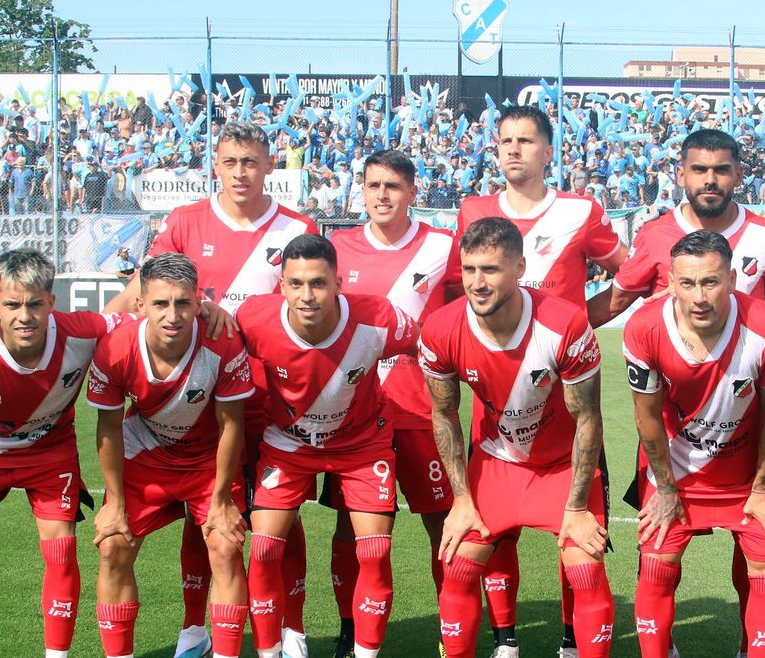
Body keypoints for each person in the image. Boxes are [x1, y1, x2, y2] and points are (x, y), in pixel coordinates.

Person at [104, 120, 318, 658]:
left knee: (276, 522)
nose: (241, 172)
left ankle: (291, 627)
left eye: (251, 161)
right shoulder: (184, 221)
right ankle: (195, 629)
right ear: (215, 166)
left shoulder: (296, 226)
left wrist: (236, 315)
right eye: (230, 162)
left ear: (271, 165)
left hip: (270, 401)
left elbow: (306, 310)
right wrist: (92, 334)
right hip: (197, 403)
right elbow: (143, 289)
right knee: (202, 517)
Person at [447, 105, 627, 657]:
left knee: (574, 526)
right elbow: (461, 295)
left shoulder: (579, 210)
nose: (514, 150)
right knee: (494, 529)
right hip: (498, 392)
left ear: (548, 151)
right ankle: (505, 640)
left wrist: (578, 324)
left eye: (526, 141)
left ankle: (573, 641)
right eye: (504, 141)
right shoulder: (473, 209)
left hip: (565, 388)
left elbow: (633, 273)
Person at [421, 217, 615, 658]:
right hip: (496, 463)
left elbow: (588, 418)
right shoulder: (440, 329)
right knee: (457, 566)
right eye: (469, 270)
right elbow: (444, 413)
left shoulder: (565, 324)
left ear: (520, 267)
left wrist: (578, 507)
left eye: (490, 270)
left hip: (562, 466)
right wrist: (462, 500)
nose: (477, 282)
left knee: (585, 569)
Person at [0, 249, 130, 658]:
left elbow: (146, 314)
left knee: (61, 549)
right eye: (12, 304)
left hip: (49, 451)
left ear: (52, 302)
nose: (25, 316)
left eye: (35, 303)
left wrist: (205, 306)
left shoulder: (83, 330)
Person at [234, 234, 418, 658]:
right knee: (262, 549)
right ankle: (269, 652)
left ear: (338, 282)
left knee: (374, 550)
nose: (307, 295)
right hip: (287, 445)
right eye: (295, 284)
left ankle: (365, 653)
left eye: (318, 283)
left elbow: (430, 343)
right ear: (281, 285)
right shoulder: (253, 319)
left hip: (362, 445)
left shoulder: (378, 317)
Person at [622, 230, 765, 658]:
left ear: (733, 279)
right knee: (657, 565)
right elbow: (646, 417)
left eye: (710, 282)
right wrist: (665, 490)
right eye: (687, 283)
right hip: (676, 475)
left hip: (749, 477)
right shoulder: (645, 328)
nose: (699, 296)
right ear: (671, 284)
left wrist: (762, 488)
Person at [87, 253, 253, 658]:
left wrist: (220, 502)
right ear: (140, 306)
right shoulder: (115, 348)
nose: (173, 315)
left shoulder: (223, 342)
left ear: (199, 302)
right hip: (147, 454)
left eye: (183, 302)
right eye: (160, 303)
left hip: (207, 461)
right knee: (113, 546)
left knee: (226, 546)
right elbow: (107, 428)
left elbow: (232, 425)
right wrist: (115, 504)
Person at [325, 150, 456, 655]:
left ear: (412, 193)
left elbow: (467, 313)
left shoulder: (442, 247)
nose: (382, 195)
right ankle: (347, 628)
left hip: (423, 412)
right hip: (352, 414)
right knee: (350, 526)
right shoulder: (338, 246)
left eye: (393, 186)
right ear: (361, 190)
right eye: (373, 185)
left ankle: (455, 627)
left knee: (442, 523)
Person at [588, 129, 765, 328]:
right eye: (699, 170)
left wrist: (755, 314)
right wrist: (556, 334)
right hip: (672, 371)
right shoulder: (653, 235)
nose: (710, 180)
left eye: (721, 170)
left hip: (744, 372)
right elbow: (613, 303)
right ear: (681, 175)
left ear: (739, 176)